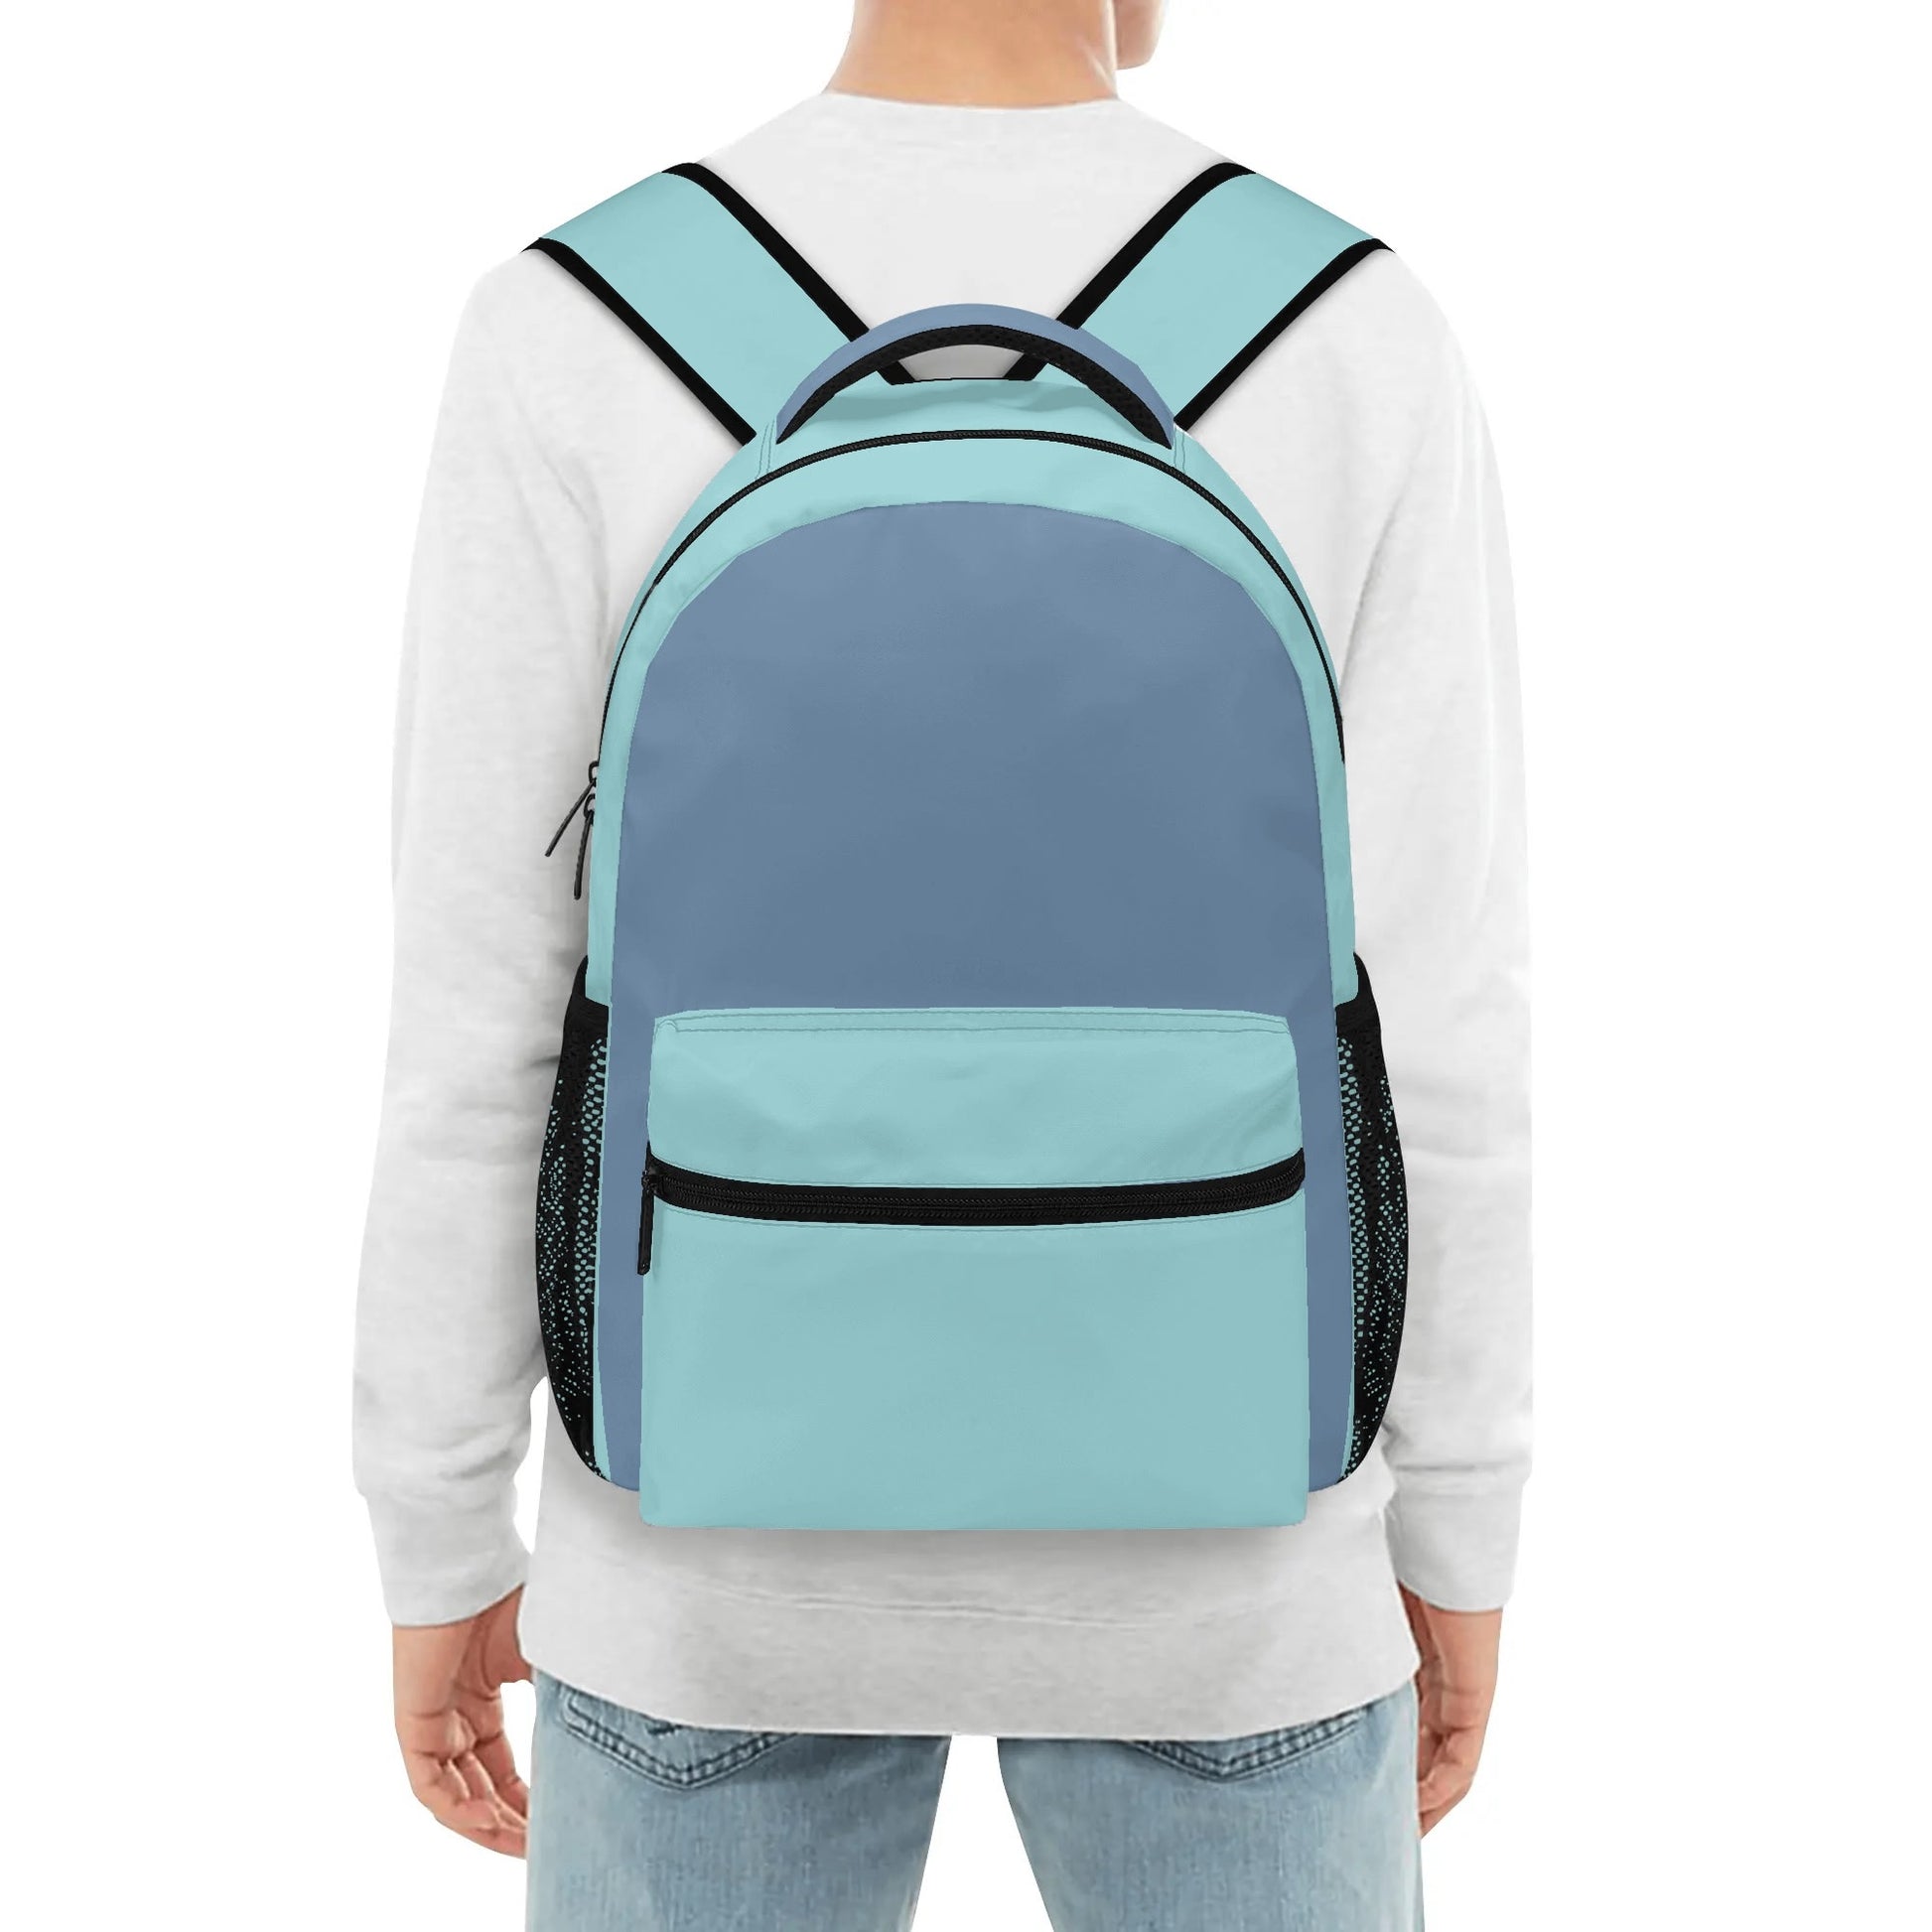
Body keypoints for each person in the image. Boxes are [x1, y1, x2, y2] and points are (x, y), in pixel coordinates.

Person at [353, 1, 1530, 1924]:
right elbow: (1445, 1023)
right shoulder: (1346, 325)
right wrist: (1462, 1520)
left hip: (699, 1574)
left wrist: (433, 1520)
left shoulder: (574, 320)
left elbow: (475, 1020)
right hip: (1236, 1573)